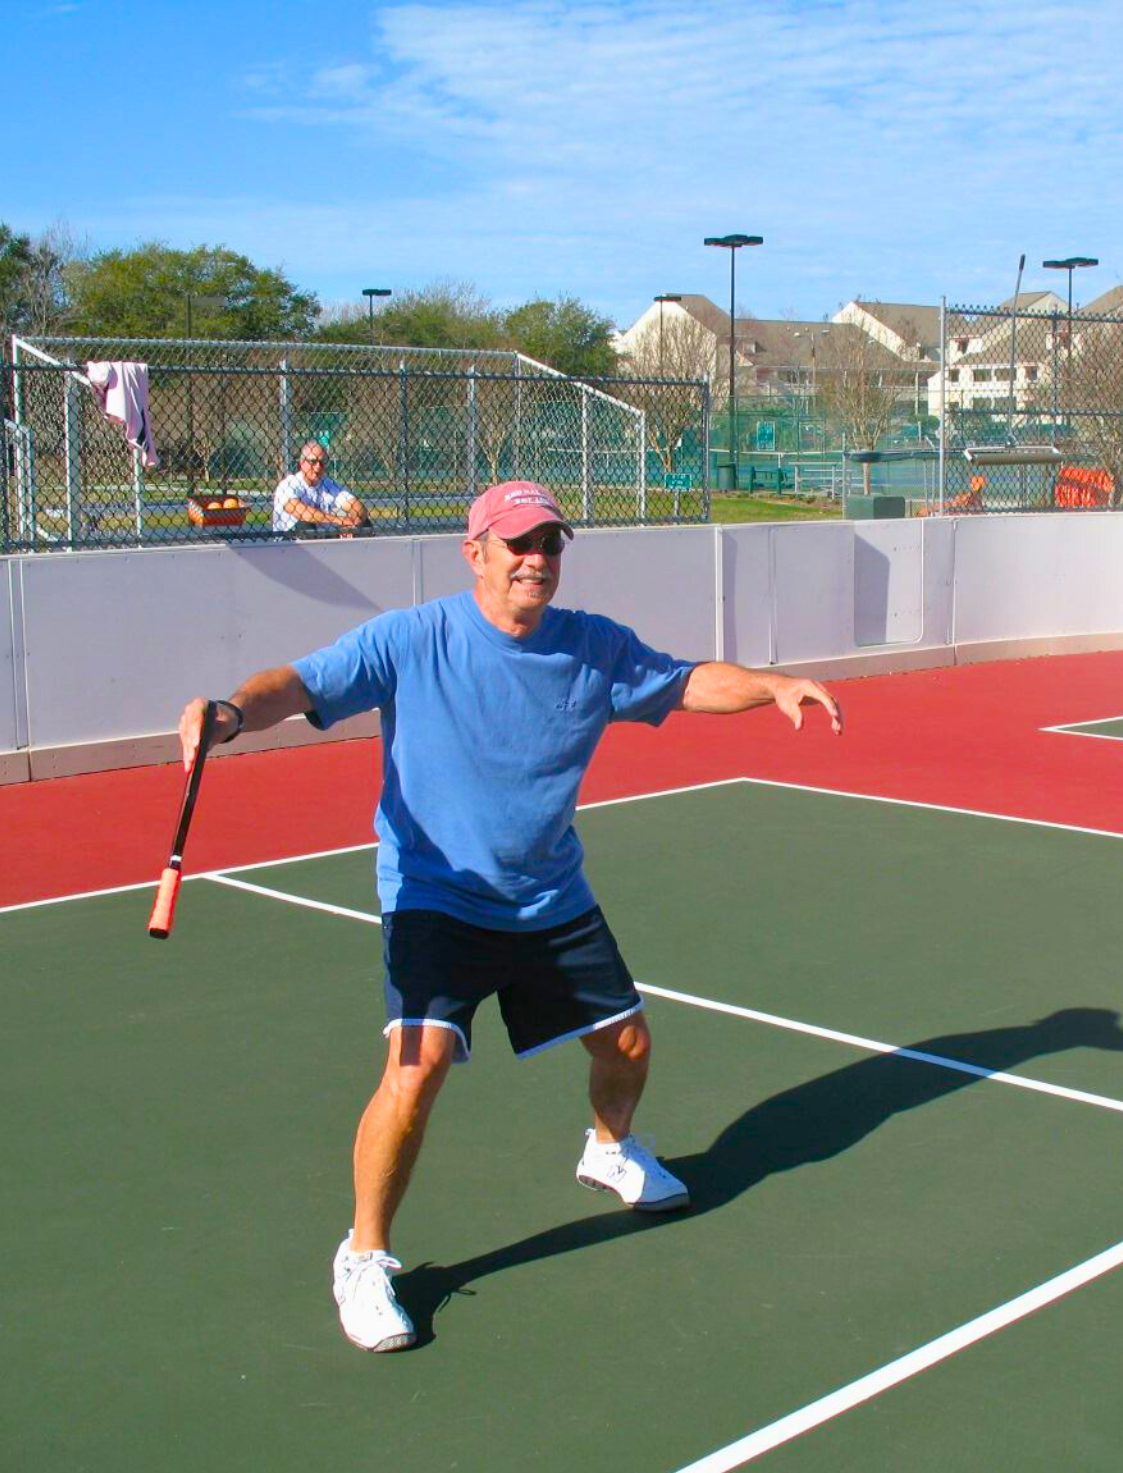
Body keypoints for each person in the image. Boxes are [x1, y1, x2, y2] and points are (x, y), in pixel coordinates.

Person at [175, 480, 843, 1352]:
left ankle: (609, 1148)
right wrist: (228, 711)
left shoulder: (591, 647)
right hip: (435, 895)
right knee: (416, 1069)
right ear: (476, 551)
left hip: (547, 895)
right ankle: (365, 1257)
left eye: (551, 544)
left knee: (628, 1042)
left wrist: (770, 684)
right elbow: (298, 684)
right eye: (519, 543)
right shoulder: (414, 639)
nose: (537, 559)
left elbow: (681, 683)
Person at [271, 441, 369, 535]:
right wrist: (340, 520)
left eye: (322, 462)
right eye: (313, 461)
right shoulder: (289, 485)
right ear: (301, 463)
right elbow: (301, 512)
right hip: (289, 543)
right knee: (306, 526)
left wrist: (354, 522)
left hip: (323, 539)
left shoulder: (328, 484)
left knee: (365, 524)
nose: (318, 467)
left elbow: (357, 506)